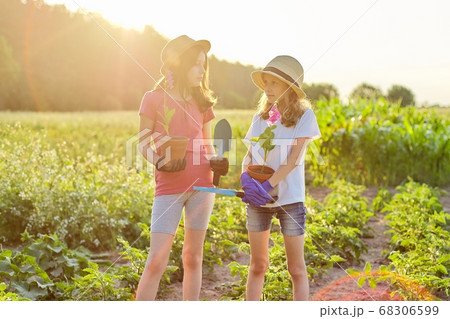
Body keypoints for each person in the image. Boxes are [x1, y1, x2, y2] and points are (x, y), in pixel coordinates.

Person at [135, 35, 228, 301]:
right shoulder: (152, 99)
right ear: (180, 65)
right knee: (156, 261)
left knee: (193, 257)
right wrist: (160, 162)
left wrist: (217, 163)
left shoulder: (203, 103)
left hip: (202, 186)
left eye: (204, 65)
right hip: (169, 186)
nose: (202, 71)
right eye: (197, 64)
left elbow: (208, 148)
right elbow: (142, 143)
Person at [240, 55, 321, 301]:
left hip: (290, 200)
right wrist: (246, 178)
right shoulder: (261, 118)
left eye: (274, 82)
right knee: (257, 266)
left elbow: (295, 157)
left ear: (289, 86)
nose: (268, 87)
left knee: (296, 269)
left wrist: (269, 183)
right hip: (259, 201)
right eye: (266, 82)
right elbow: (249, 155)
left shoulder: (304, 117)